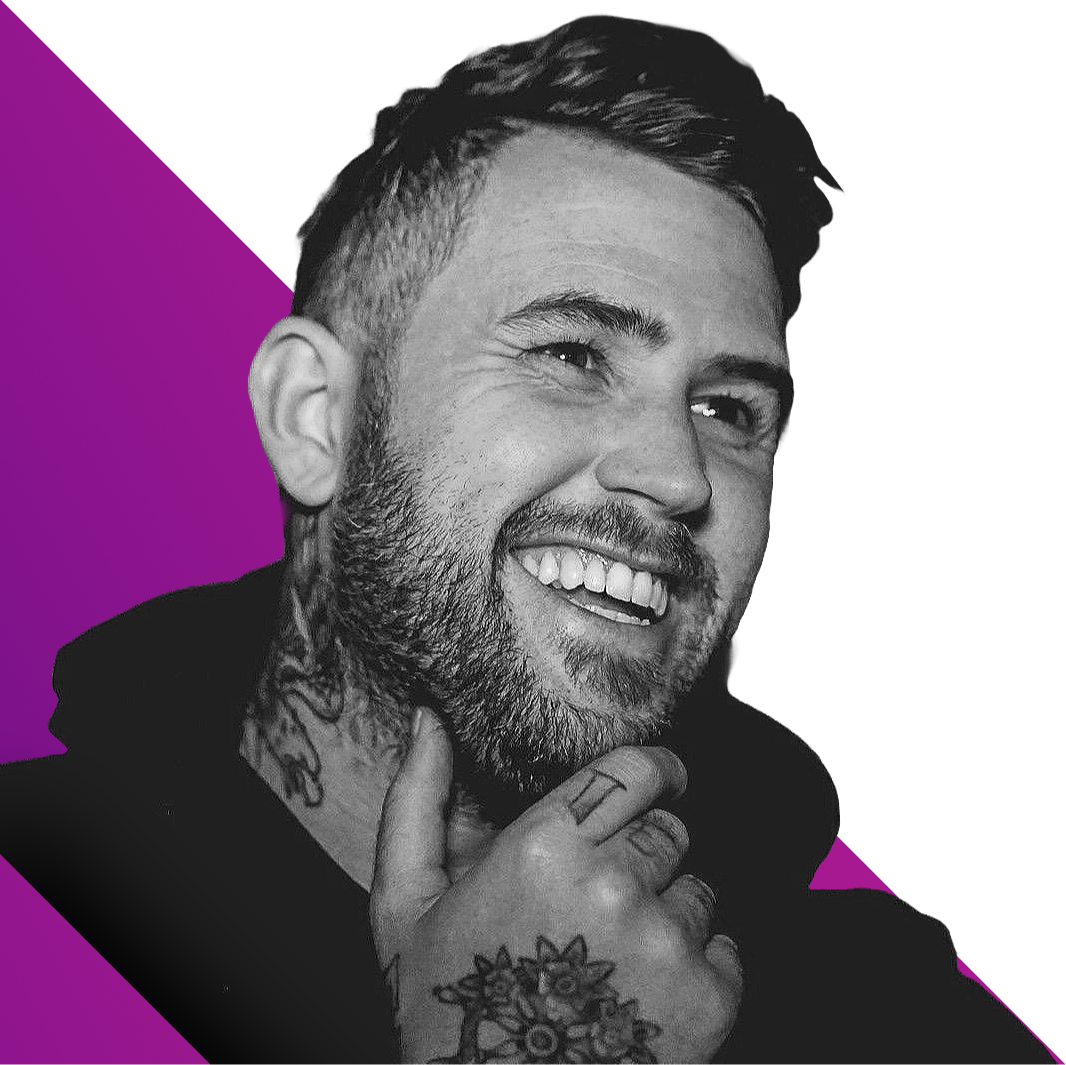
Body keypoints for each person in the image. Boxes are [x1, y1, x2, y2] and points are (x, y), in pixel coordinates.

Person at [0, 15, 1050, 1064]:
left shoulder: (893, 1012)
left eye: (729, 410)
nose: (679, 476)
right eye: (571, 354)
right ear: (315, 417)